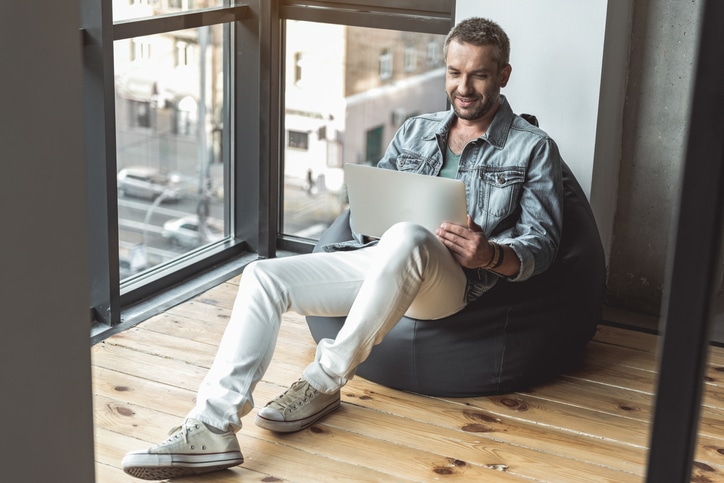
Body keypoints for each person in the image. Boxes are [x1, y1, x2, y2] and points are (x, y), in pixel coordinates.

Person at [122, 16, 564, 480]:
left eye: (479, 74)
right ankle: (211, 425)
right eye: (454, 73)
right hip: (383, 260)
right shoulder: (416, 129)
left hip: (454, 283)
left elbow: (544, 243)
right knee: (262, 277)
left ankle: (323, 380)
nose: (464, 87)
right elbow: (370, 205)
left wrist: (489, 254)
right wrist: (371, 216)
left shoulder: (532, 148)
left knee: (410, 236)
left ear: (503, 76)